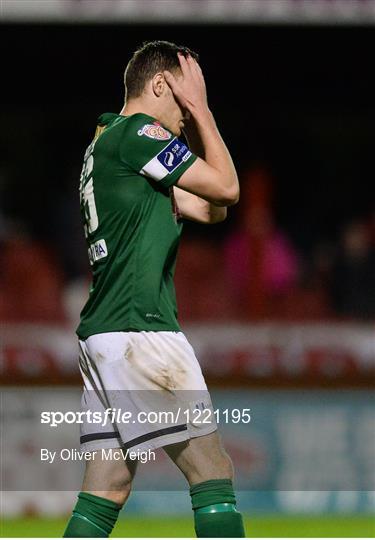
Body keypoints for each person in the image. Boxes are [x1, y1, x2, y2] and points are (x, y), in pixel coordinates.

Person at [63, 41, 244, 538]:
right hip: (142, 329)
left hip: (104, 335)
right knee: (213, 474)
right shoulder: (142, 134)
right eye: (182, 100)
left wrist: (197, 140)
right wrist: (203, 110)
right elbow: (228, 188)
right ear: (160, 85)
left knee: (107, 488)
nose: (185, 116)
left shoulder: (108, 145)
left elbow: (211, 207)